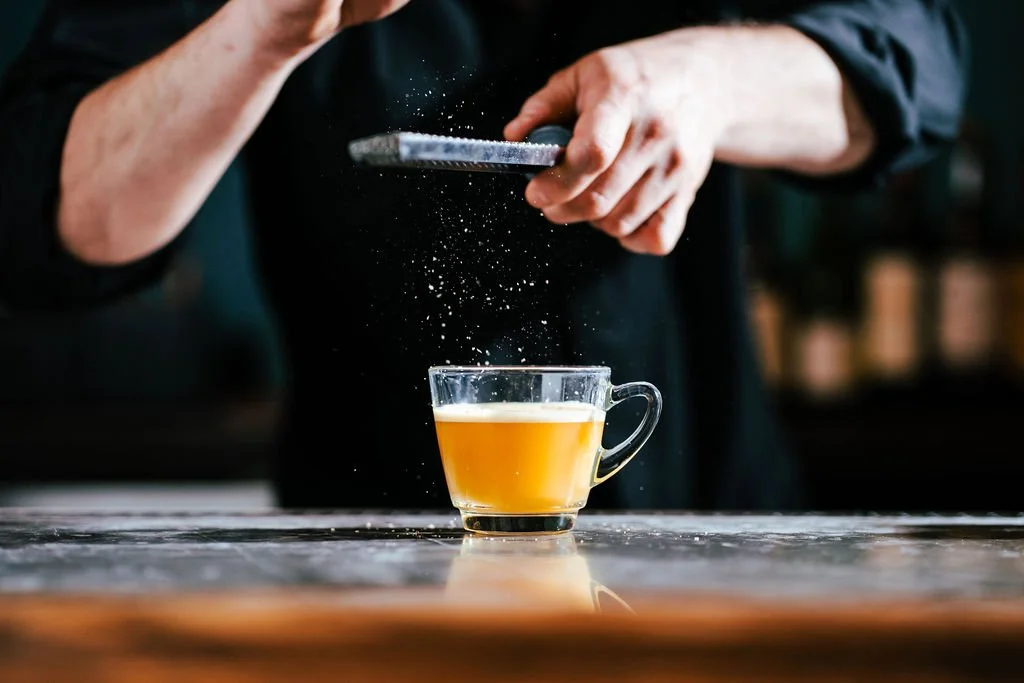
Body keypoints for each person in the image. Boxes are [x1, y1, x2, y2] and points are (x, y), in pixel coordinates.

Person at [0, 1, 966, 510]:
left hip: (717, 553)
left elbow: (918, 68)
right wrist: (258, 31)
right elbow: (43, 220)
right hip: (364, 580)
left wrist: (713, 79)